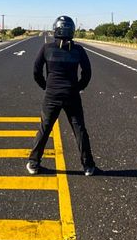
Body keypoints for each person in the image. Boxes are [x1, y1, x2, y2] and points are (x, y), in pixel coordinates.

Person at [27, 15, 98, 176]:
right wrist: (78, 87)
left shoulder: (47, 48)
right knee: (79, 129)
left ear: (56, 29)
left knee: (45, 128)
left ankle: (34, 162)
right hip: (72, 94)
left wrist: (46, 86)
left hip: (52, 94)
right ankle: (88, 166)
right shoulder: (78, 50)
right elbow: (87, 73)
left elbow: (36, 71)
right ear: (71, 31)